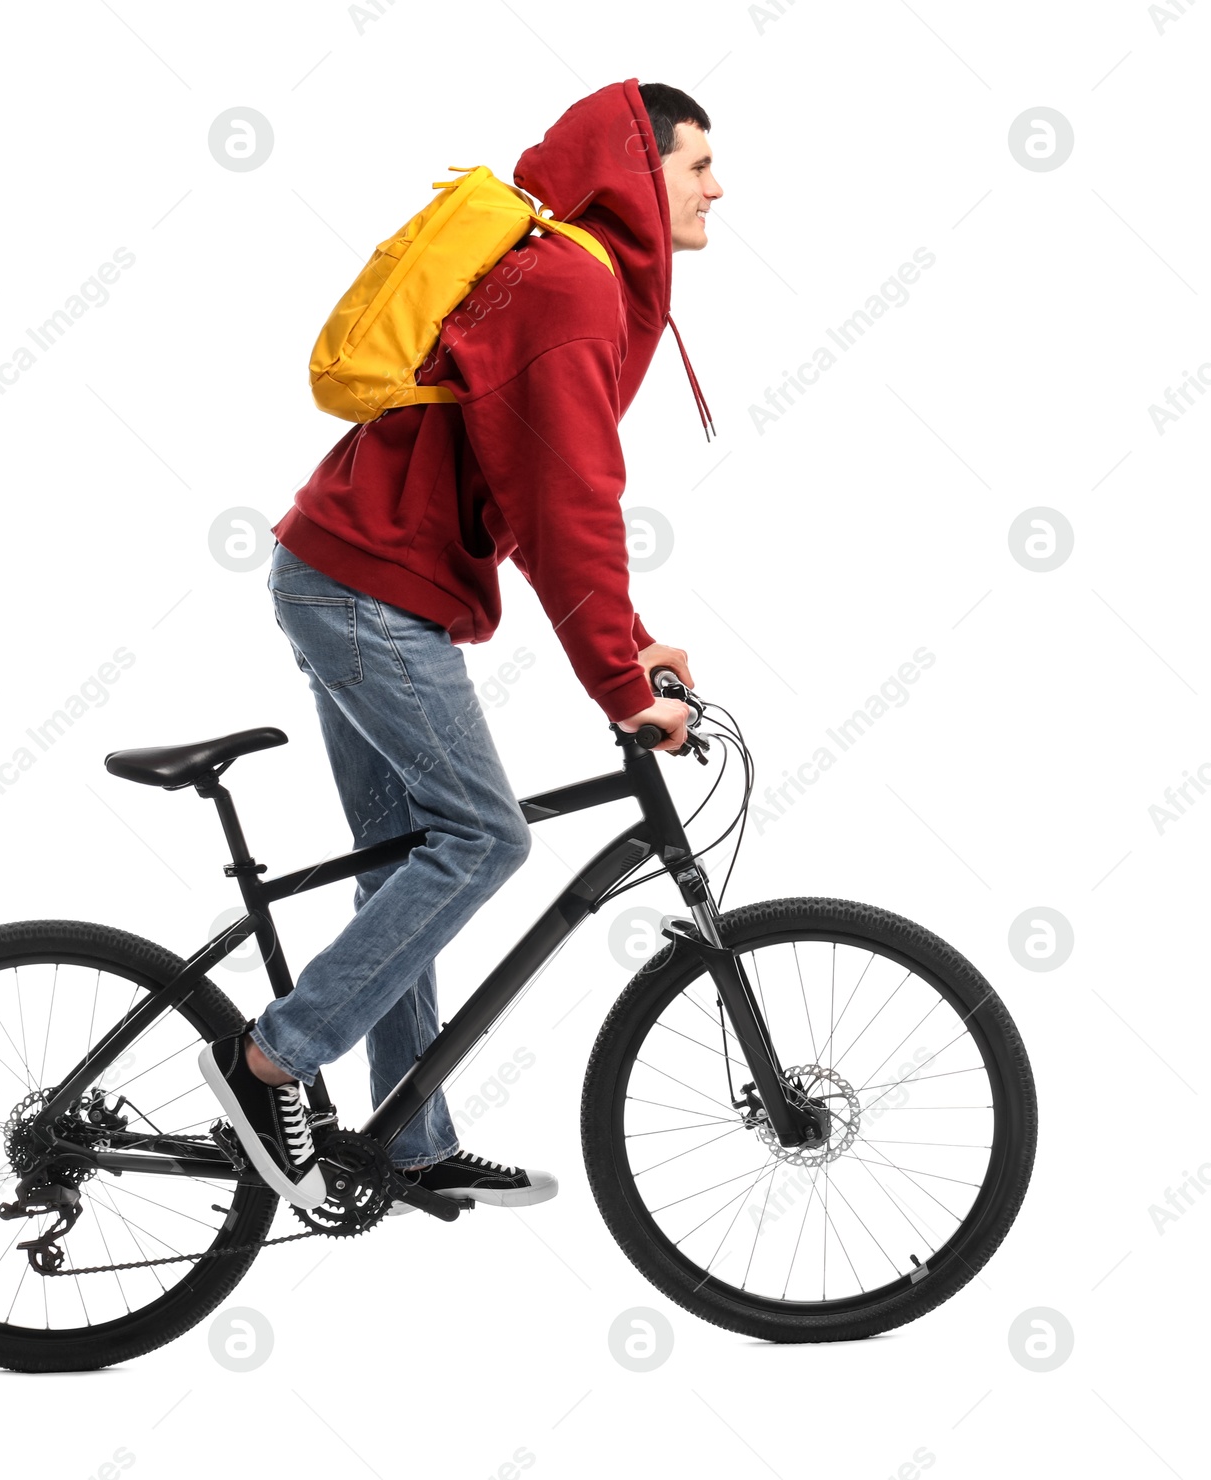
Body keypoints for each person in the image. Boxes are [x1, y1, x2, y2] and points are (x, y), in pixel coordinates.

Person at [199, 79, 723, 1214]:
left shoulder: (562, 272)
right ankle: (272, 1060)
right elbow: (569, 504)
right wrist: (621, 685)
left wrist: (629, 641)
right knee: (483, 838)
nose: (716, 187)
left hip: (352, 572)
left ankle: (405, 1140)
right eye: (697, 165)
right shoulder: (572, 284)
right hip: (366, 591)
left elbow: (536, 492)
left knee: (407, 861)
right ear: (643, 169)